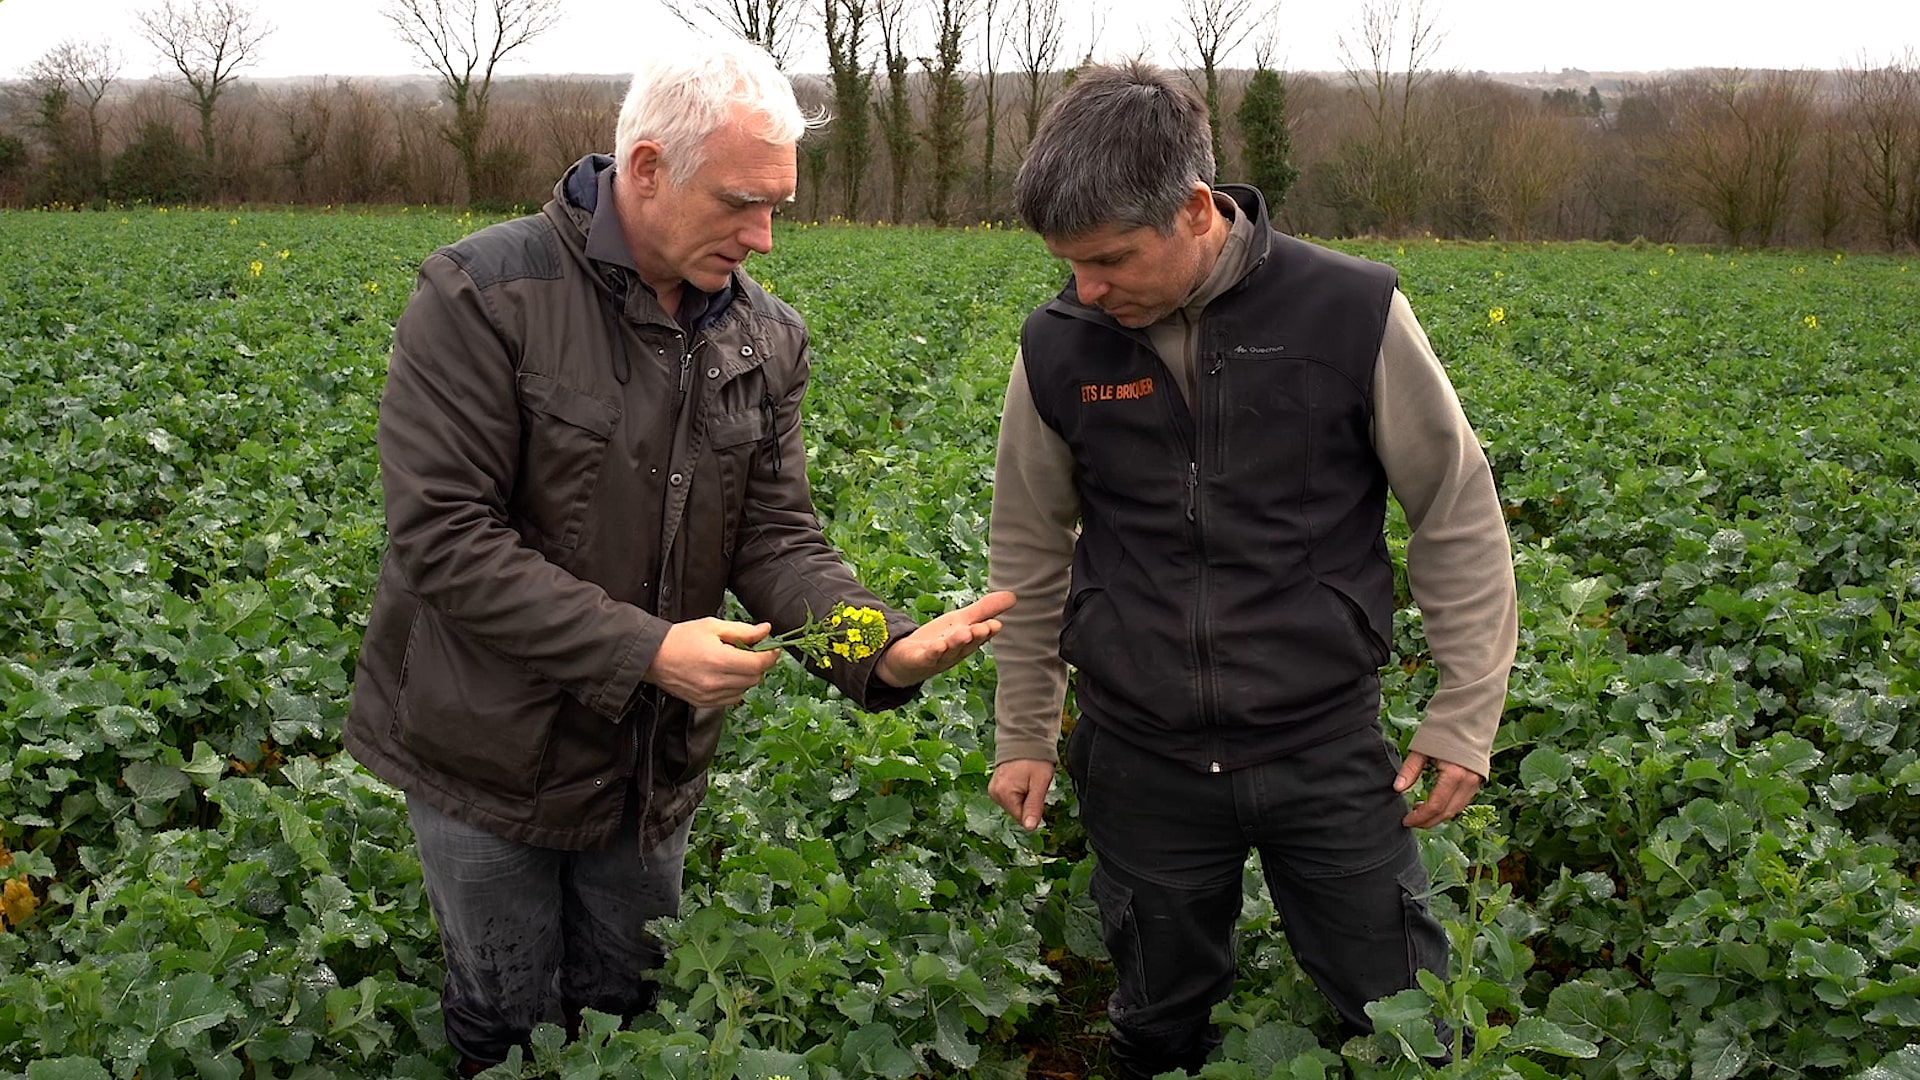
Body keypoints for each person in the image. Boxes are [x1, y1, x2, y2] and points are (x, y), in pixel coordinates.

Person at [344, 34, 1013, 1075]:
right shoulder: (484, 295)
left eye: (777, 205)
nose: (767, 237)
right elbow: (444, 539)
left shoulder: (766, 337)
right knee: (506, 1018)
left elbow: (775, 533)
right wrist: (651, 650)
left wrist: (875, 648)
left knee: (630, 1005)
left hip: (644, 767)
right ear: (648, 169)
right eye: (742, 203)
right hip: (484, 751)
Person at [985, 62, 1518, 1077]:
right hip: (1142, 756)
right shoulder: (1057, 345)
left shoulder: (1349, 310)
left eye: (1109, 260)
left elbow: (1453, 503)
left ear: (1194, 210)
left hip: (1322, 745)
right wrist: (1025, 730)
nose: (1085, 289)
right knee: (1157, 1012)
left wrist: (1465, 711)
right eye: (1068, 265)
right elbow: (1030, 549)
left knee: (1401, 1011)